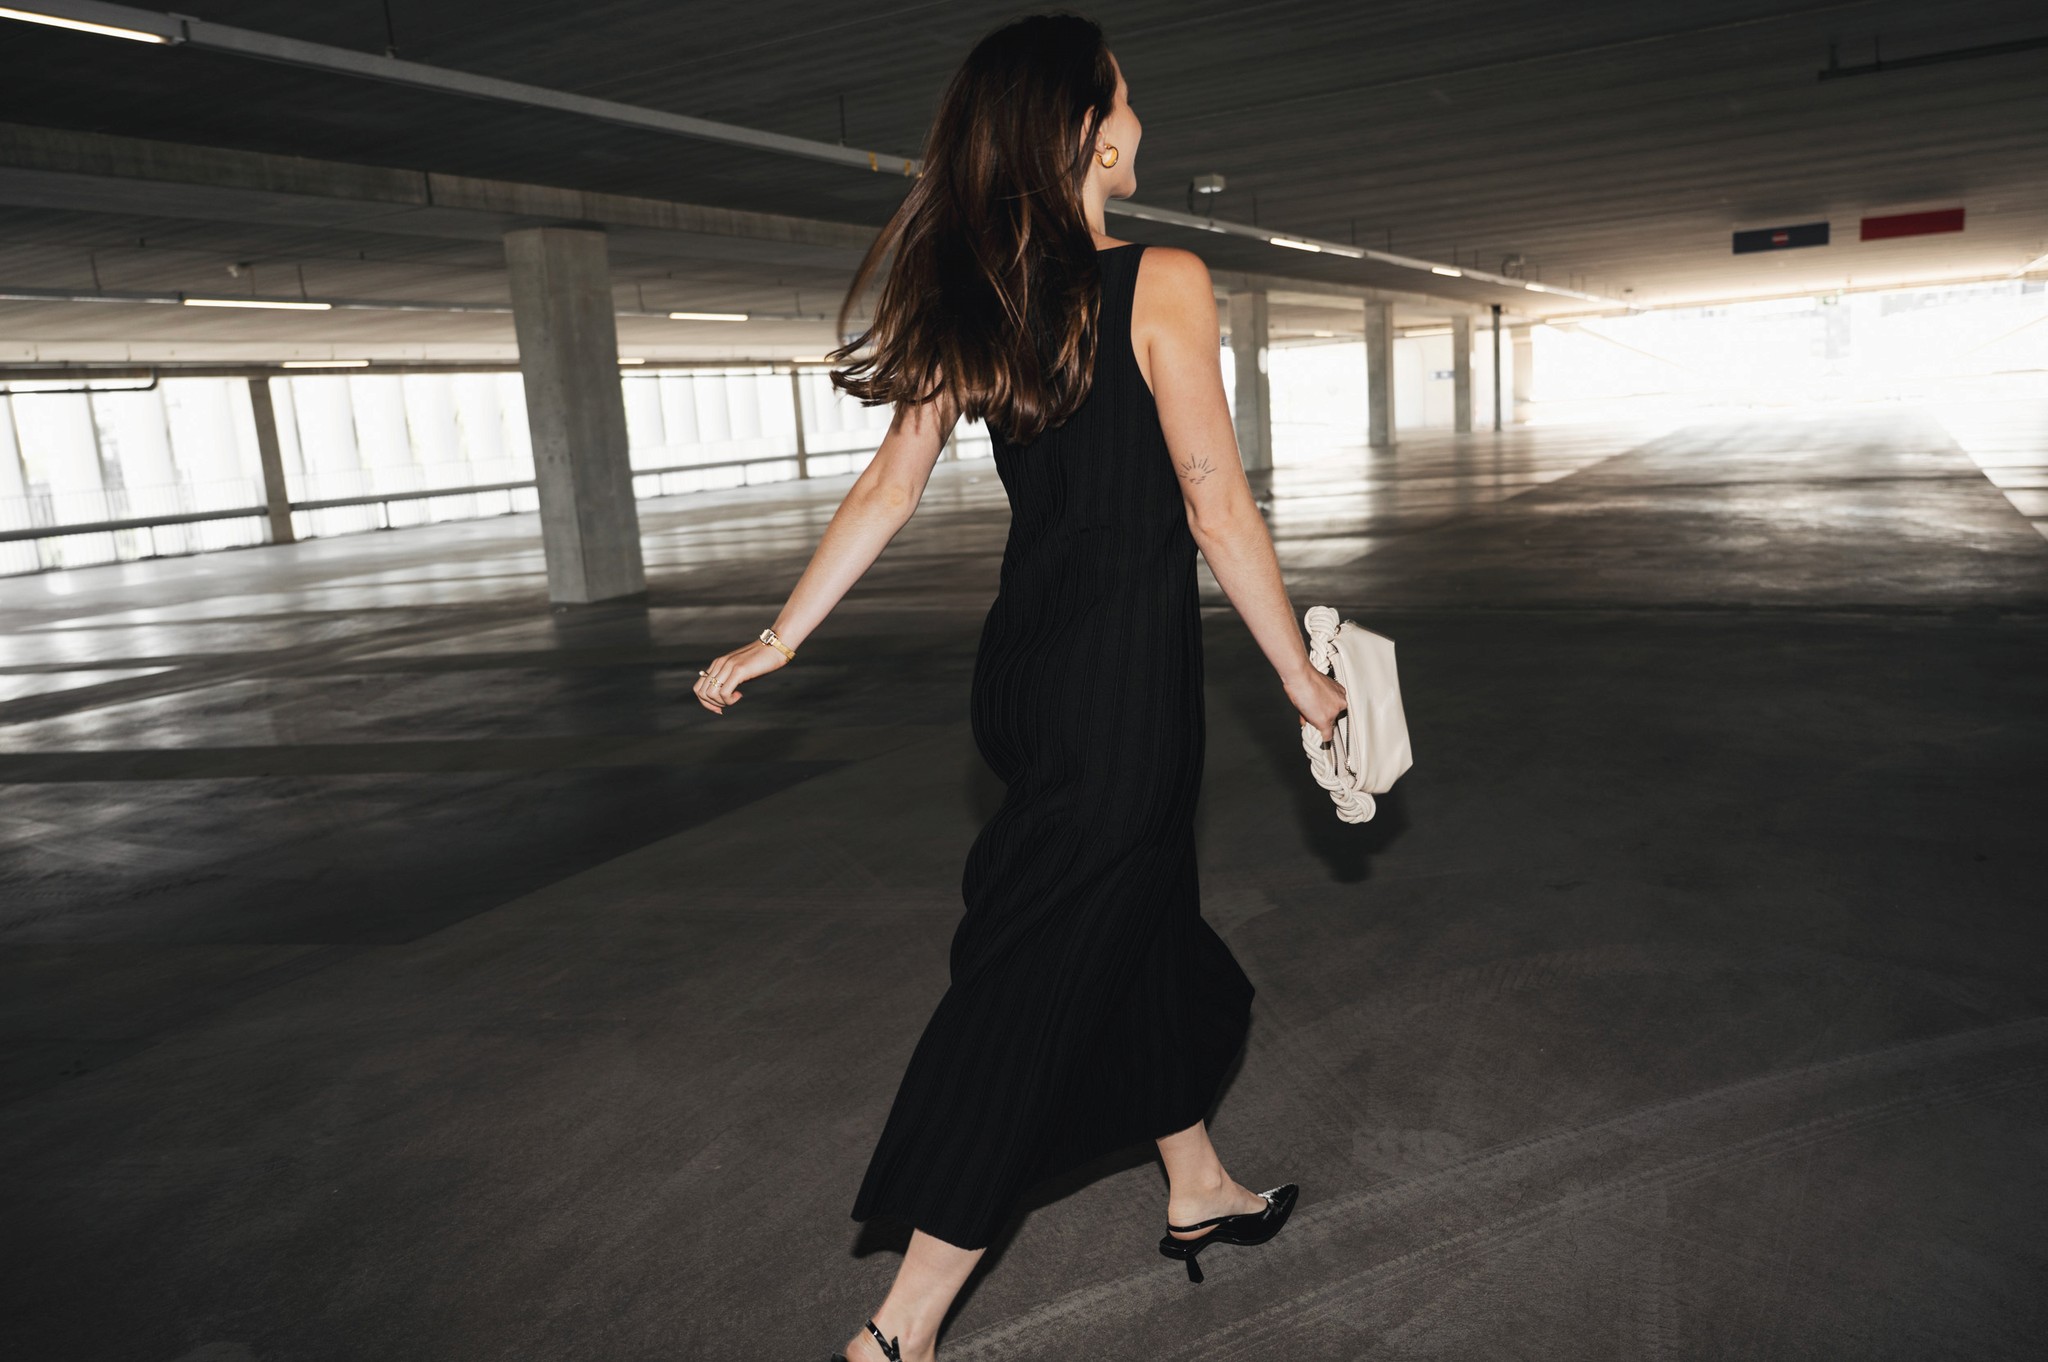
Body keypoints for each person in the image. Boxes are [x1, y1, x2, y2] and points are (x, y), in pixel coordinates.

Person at [691, 15, 1347, 1361]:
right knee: (1036, 987)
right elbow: (1214, 502)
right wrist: (1300, 675)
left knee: (1144, 929)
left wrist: (781, 636)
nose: (1142, 121)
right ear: (1085, 132)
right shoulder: (1162, 279)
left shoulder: (984, 296)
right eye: (1126, 100)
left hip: (1031, 677)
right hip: (1125, 694)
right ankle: (901, 1330)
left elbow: (891, 485)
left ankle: (1197, 1185)